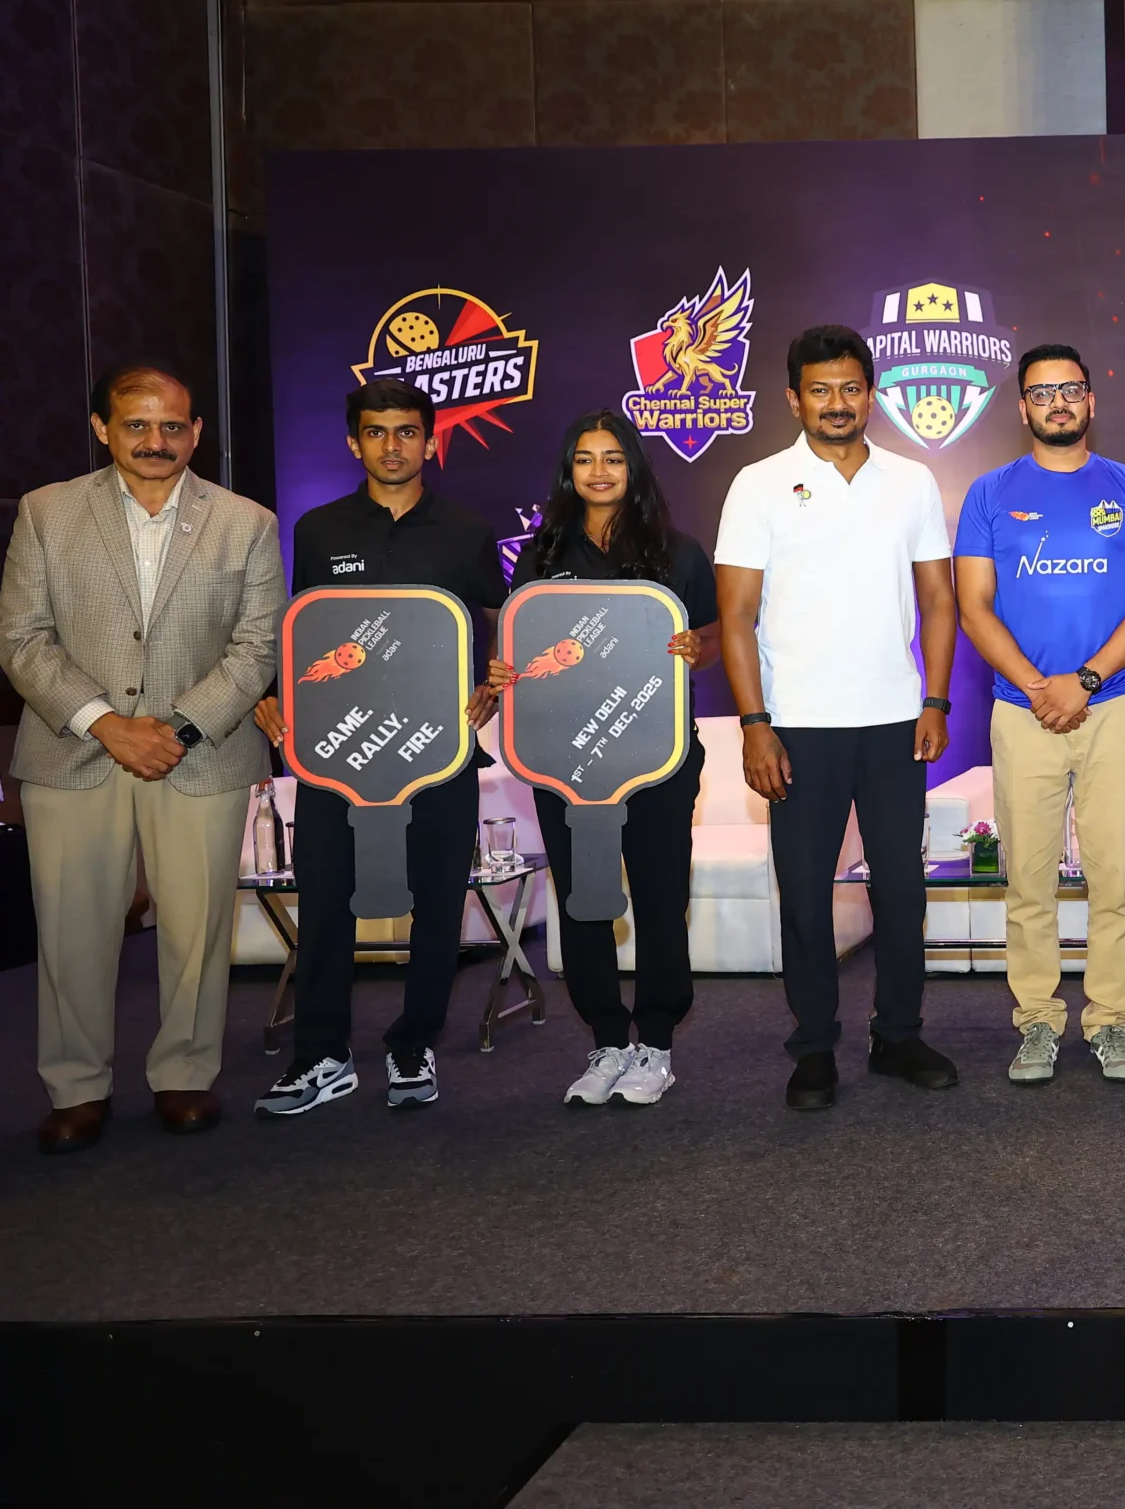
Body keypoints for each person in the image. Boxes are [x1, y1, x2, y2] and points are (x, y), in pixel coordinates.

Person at [0, 364, 283, 1153]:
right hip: (73, 751)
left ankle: (186, 1071)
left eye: (172, 426)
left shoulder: (247, 522)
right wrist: (108, 724)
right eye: (136, 424)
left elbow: (258, 645)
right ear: (103, 428)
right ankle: (76, 1085)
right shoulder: (47, 512)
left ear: (196, 433)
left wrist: (178, 730)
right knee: (71, 929)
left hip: (202, 755)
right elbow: (21, 638)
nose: (156, 440)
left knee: (197, 927)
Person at [715, 324, 959, 1108]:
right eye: (820, 390)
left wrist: (934, 699)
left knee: (902, 889)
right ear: (794, 399)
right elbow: (736, 614)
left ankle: (898, 1035)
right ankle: (814, 1047)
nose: (837, 403)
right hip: (796, 725)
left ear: (871, 392)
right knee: (805, 891)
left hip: (894, 720)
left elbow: (938, 599)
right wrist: (755, 723)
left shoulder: (911, 480)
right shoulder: (757, 483)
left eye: (851, 387)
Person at [253, 381, 507, 1117]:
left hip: (439, 751)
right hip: (336, 752)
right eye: (375, 432)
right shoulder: (319, 529)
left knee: (439, 902)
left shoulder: (467, 529)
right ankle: (322, 1054)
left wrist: (494, 683)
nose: (391, 446)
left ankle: (413, 1043)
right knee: (325, 898)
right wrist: (275, 695)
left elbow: (502, 618)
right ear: (352, 441)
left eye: (406, 432)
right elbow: (302, 629)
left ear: (430, 440)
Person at [955, 344, 1125, 1085]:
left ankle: (1111, 1022)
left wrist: (1083, 681)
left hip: (1112, 708)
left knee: (1116, 881)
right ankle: (1038, 1023)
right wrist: (1037, 686)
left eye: (1070, 389)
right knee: (1028, 883)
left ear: (1091, 400)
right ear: (1022, 407)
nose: (1058, 403)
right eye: (1042, 392)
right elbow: (973, 606)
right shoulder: (989, 493)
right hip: (1022, 714)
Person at [490, 411, 721, 1109]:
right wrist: (503, 672)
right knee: (582, 898)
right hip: (566, 761)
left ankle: (656, 1043)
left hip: (657, 757)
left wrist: (698, 648)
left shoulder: (678, 551)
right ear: (569, 471)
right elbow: (521, 646)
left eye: (613, 458)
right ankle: (608, 1040)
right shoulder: (540, 554)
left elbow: (714, 637)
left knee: (659, 896)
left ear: (634, 468)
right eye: (585, 458)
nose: (599, 471)